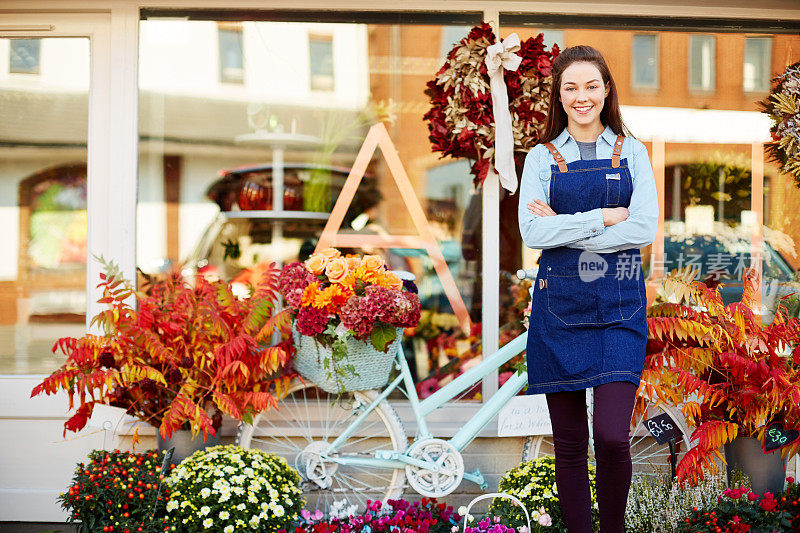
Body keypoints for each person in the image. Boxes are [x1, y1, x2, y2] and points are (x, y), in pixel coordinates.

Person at [517, 45, 659, 532]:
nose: (582, 97)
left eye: (591, 86)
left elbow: (642, 230)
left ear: (606, 90)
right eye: (571, 87)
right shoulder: (539, 157)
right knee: (572, 441)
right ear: (559, 96)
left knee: (613, 436)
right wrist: (600, 217)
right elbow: (533, 234)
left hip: (620, 308)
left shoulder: (632, 151)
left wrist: (567, 227)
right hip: (559, 309)